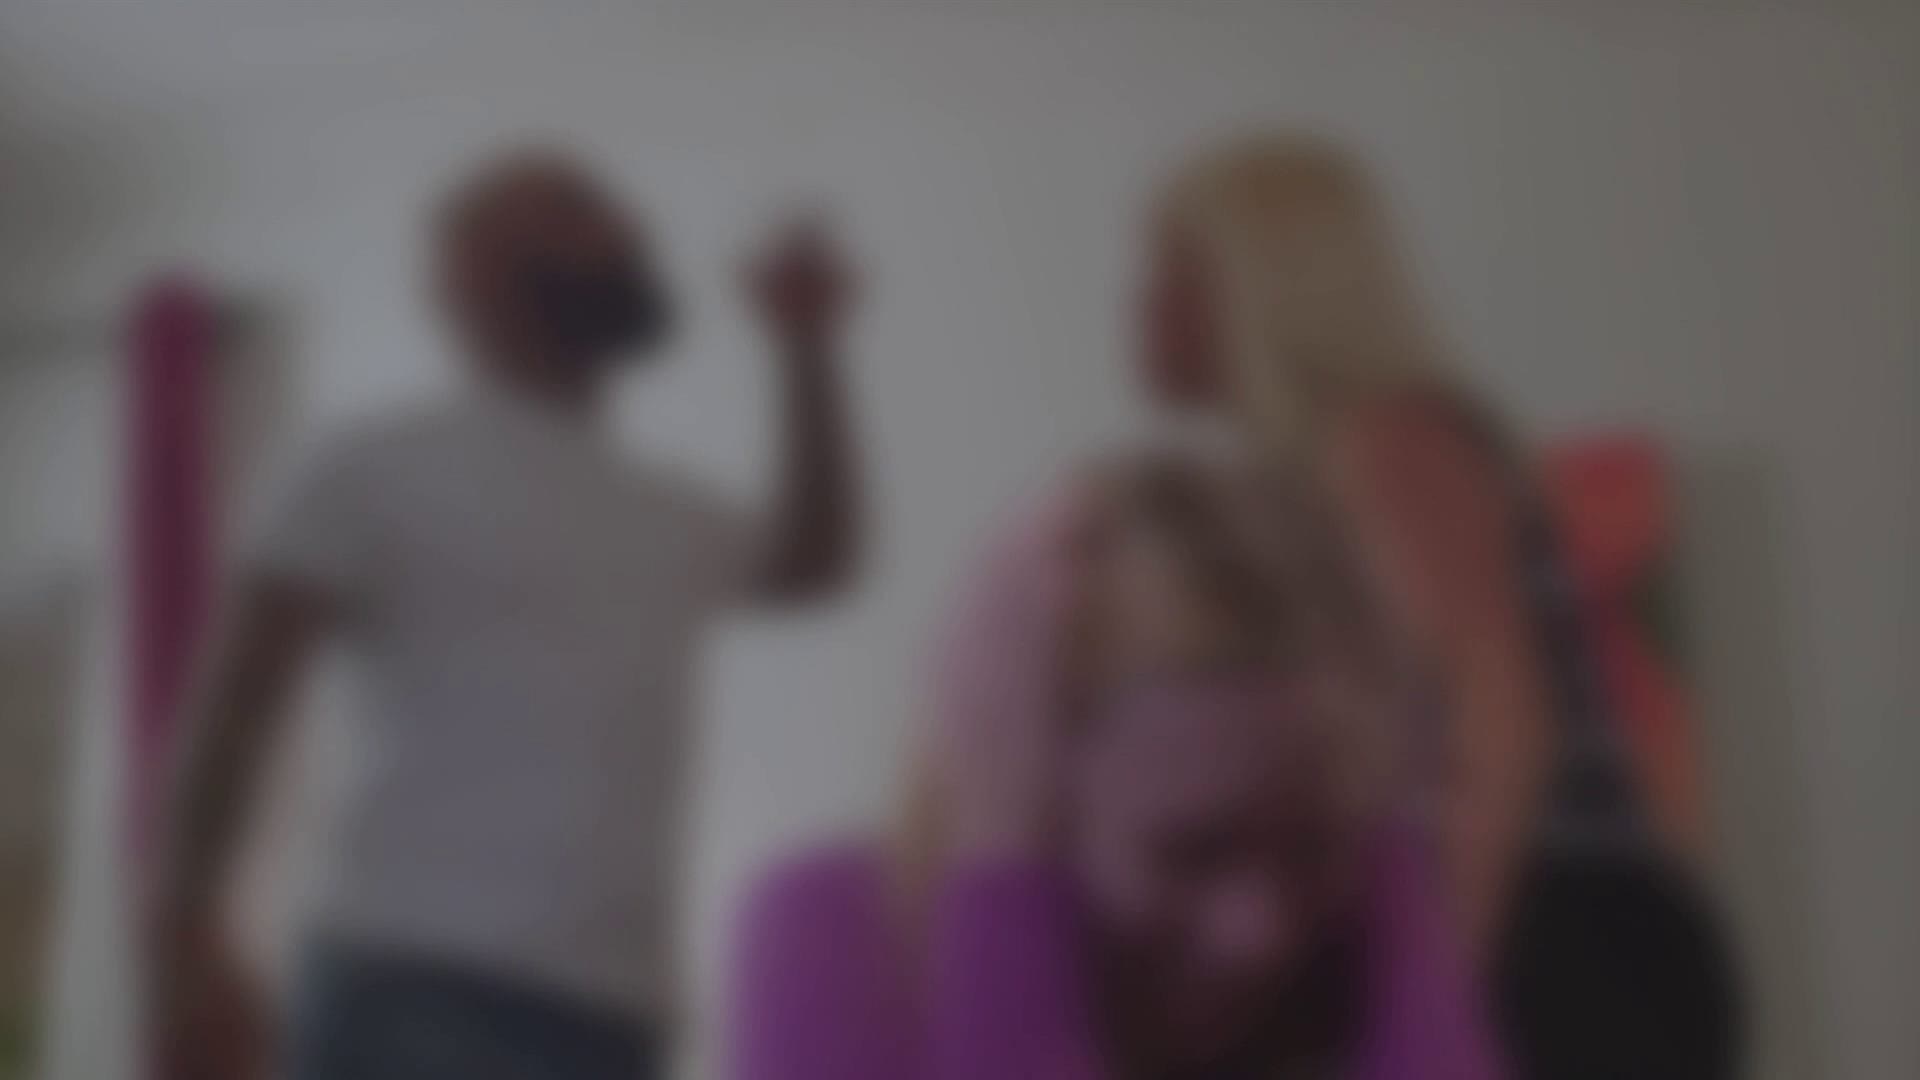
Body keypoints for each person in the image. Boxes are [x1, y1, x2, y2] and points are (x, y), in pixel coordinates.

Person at [145, 148, 864, 1080]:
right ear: (471, 274)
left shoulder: (664, 511)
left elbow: (814, 559)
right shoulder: (366, 468)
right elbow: (237, 707)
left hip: (614, 1018)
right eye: (575, 207)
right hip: (410, 991)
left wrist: (805, 346)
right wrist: (184, 945)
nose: (629, 230)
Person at [1140, 135, 1740, 1078]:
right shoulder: (1313, 481)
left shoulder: (1387, 444)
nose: (1144, 304)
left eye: (1176, 270)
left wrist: (1424, 1004)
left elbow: (1501, 726)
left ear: (1257, 288)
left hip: (1565, 954)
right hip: (1533, 939)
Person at [729, 455, 1507, 1079]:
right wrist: (1003, 864)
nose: (1260, 932)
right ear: (1026, 780)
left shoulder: (1357, 956)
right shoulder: (835, 943)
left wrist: (1394, 840)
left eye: (1315, 847)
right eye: (1190, 854)